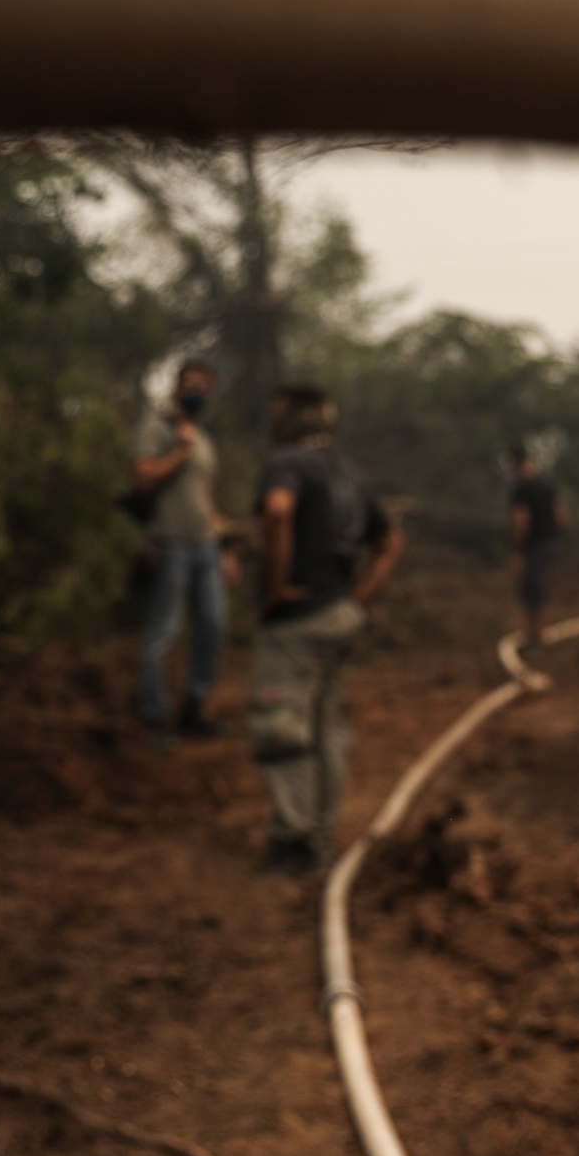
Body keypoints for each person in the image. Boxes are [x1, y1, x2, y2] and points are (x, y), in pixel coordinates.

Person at [249, 384, 404, 874]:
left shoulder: (287, 464)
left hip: (296, 622)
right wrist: (354, 599)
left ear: (293, 414)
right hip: (339, 618)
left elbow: (277, 512)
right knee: (326, 729)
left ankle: (293, 844)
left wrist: (275, 588)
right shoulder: (348, 473)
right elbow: (391, 542)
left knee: (283, 727)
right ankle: (318, 838)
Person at [131, 359, 235, 743]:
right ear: (175, 387)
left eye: (204, 386)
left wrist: (225, 547)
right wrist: (180, 450)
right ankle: (155, 717)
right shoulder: (156, 428)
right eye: (190, 384)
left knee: (213, 627)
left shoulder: (205, 440)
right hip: (170, 545)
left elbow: (206, 497)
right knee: (162, 633)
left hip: (205, 549)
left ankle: (193, 708)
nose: (197, 392)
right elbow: (142, 478)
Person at [508, 441, 566, 644]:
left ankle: (538, 633)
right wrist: (559, 537)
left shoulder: (521, 489)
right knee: (538, 583)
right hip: (551, 542)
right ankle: (535, 633)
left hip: (535, 545)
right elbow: (561, 514)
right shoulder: (546, 485)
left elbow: (521, 521)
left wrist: (517, 550)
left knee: (533, 586)